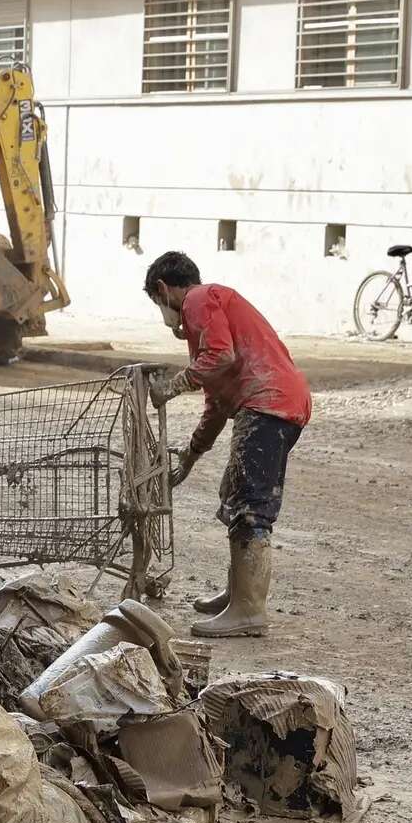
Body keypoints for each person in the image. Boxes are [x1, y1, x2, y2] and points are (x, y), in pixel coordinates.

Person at [144, 251, 311, 638]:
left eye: (158, 304)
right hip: (276, 401)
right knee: (234, 493)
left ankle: (249, 609)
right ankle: (238, 593)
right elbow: (216, 404)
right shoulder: (208, 314)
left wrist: (172, 386)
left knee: (250, 507)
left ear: (162, 289)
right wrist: (189, 457)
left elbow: (221, 355)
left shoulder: (199, 299)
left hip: (267, 402)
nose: (166, 316)